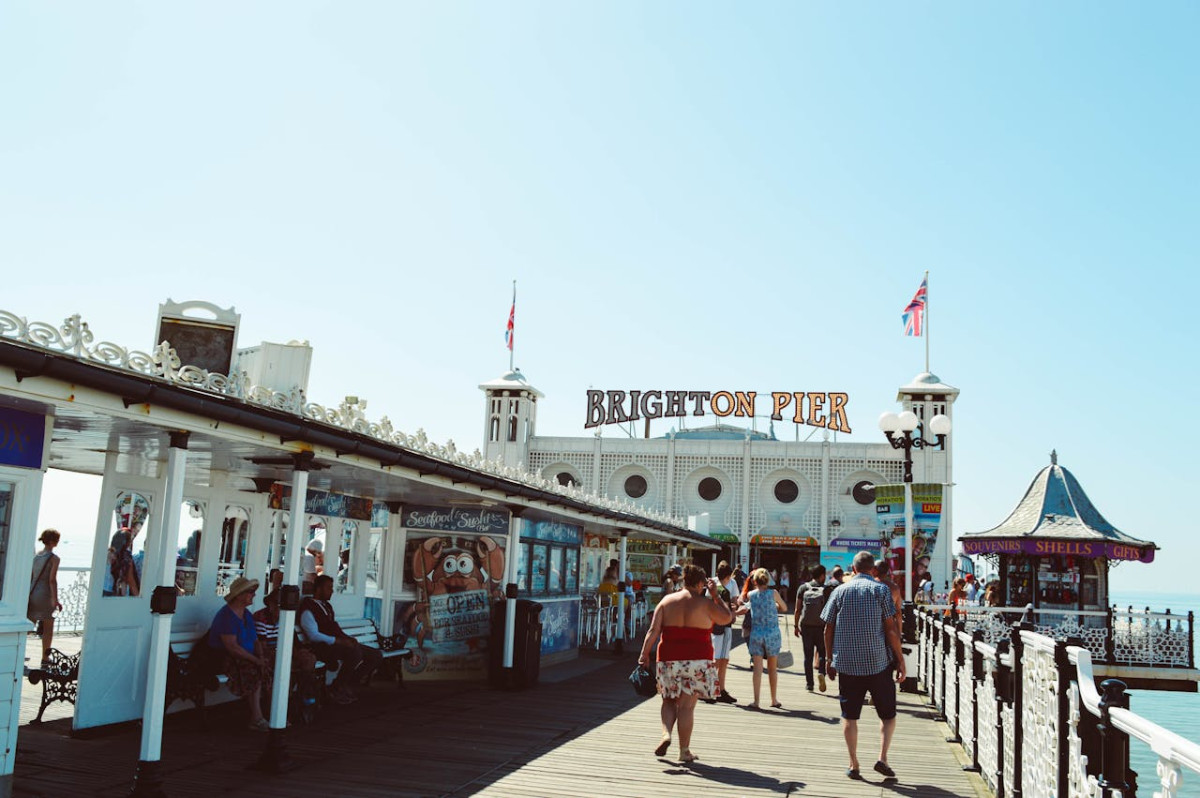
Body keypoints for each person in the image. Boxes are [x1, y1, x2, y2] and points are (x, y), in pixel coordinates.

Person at [822, 551, 906, 781]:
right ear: (872, 569)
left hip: (847, 663)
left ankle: (854, 764)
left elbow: (827, 628)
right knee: (888, 716)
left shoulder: (839, 591)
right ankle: (882, 758)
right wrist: (900, 660)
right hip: (878, 662)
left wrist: (829, 660)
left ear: (854, 568)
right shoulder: (881, 591)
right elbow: (890, 629)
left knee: (850, 716)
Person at [637, 564, 732, 763]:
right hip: (697, 660)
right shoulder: (705, 603)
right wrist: (716, 596)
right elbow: (726, 618)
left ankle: (666, 734)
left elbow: (653, 631)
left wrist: (644, 654)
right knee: (687, 707)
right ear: (700, 583)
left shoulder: (667, 601)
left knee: (668, 700)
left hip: (669, 657)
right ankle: (684, 751)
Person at [300, 574, 383, 704]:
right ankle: (337, 687)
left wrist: (347, 639)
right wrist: (338, 641)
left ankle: (346, 684)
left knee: (376, 655)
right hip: (322, 647)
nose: (332, 591)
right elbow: (313, 635)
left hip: (337, 644)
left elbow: (333, 628)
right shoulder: (308, 609)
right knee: (355, 653)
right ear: (318, 589)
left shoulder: (327, 606)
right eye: (328, 588)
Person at [208, 576, 272, 731]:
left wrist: (261, 657)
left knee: (273, 665)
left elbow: (255, 640)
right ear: (239, 595)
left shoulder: (247, 615)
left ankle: (274, 712)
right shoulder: (226, 616)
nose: (254, 595)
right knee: (254, 669)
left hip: (246, 656)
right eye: (250, 592)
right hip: (224, 658)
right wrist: (257, 661)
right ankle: (256, 718)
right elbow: (232, 648)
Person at [254, 589, 319, 709]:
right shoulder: (260, 618)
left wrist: (299, 652)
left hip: (283, 653)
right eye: (277, 604)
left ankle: (302, 696)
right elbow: (262, 648)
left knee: (309, 659)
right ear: (270, 604)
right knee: (285, 665)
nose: (280, 608)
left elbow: (293, 640)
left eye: (282, 605)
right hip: (268, 654)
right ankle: (284, 705)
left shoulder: (286, 617)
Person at [741, 567, 788, 709]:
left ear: (755, 581)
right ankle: (773, 700)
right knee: (772, 668)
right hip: (772, 634)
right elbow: (784, 608)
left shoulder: (751, 595)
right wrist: (775, 607)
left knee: (757, 669)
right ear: (768, 580)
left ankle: (756, 701)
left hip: (756, 634)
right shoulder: (773, 593)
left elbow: (747, 605)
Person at [703, 562, 738, 705]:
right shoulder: (717, 586)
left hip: (717, 623)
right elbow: (732, 602)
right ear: (728, 576)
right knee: (718, 659)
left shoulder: (712, 584)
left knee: (722, 659)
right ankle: (710, 689)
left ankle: (719, 689)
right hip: (721, 624)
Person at [793, 564, 832, 692]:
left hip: (806, 626)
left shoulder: (803, 588)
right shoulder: (827, 590)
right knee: (822, 653)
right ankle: (821, 672)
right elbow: (830, 610)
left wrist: (796, 625)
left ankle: (809, 684)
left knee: (808, 656)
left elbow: (798, 609)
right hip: (821, 626)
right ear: (822, 576)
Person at [28, 529, 62, 664]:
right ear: (53, 541)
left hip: (33, 592)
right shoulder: (54, 559)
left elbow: (31, 576)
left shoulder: (36, 557)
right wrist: (55, 600)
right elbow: (52, 580)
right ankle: (45, 657)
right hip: (45, 595)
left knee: (29, 625)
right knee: (48, 628)